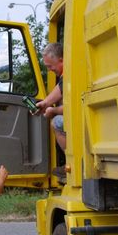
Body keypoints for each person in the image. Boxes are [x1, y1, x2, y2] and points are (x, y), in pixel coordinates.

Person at [35, 43, 66, 178]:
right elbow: (59, 90)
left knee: (57, 122)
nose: (50, 70)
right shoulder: (65, 76)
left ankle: (72, 163)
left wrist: (54, 111)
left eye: (50, 66)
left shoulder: (72, 74)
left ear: (61, 60)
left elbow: (74, 107)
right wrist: (45, 103)